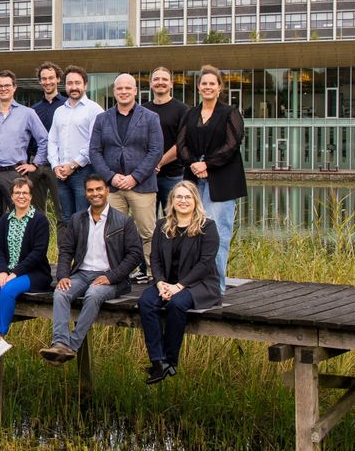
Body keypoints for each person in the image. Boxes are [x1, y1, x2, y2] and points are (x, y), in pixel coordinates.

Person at [40, 174, 142, 364]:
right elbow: (66, 251)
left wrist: (111, 277)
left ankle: (72, 346)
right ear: (85, 193)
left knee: (94, 294)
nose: (95, 193)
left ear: (107, 191)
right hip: (81, 273)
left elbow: (135, 255)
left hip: (112, 278)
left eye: (99, 189)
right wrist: (63, 275)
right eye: (90, 190)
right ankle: (60, 343)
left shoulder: (123, 221)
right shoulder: (78, 219)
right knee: (60, 292)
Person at [139, 181, 220, 384]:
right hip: (166, 283)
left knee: (177, 304)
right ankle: (158, 362)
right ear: (172, 201)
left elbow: (205, 263)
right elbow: (155, 259)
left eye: (187, 197)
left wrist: (178, 286)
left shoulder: (207, 227)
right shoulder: (162, 226)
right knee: (146, 302)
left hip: (198, 284)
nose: (183, 201)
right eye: (179, 197)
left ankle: (171, 360)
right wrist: (159, 283)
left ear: (195, 200)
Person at [176, 65, 247, 291]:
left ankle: (216, 286)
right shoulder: (190, 114)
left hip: (222, 181)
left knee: (217, 234)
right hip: (194, 180)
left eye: (212, 84)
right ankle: (195, 283)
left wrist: (207, 163)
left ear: (219, 88)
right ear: (198, 87)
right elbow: (181, 144)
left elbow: (232, 144)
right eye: (204, 83)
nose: (208, 87)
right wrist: (195, 165)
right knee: (192, 232)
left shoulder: (230, 113)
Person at [89, 73, 162, 286]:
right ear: (114, 92)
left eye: (128, 88)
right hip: (112, 187)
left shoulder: (150, 117)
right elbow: (94, 151)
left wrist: (134, 177)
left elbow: (156, 151)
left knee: (147, 231)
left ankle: (152, 273)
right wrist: (111, 177)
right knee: (113, 232)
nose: (123, 92)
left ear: (135, 91)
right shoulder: (103, 118)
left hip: (142, 185)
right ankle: (118, 272)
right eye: (119, 88)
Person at [0, 71, 47, 257]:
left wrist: (35, 164)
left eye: (7, 85)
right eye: (0, 86)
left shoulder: (27, 113)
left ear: (14, 87)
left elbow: (44, 140)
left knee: (19, 216)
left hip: (14, 174)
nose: (3, 89)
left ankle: (19, 258)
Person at [0, 177, 52, 359]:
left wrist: (15, 273)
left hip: (34, 273)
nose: (21, 196)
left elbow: (38, 253)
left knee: (7, 290)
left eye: (25, 193)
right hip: (7, 270)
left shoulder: (39, 220)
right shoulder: (5, 219)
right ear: (11, 196)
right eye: (17, 193)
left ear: (31, 196)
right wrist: (2, 270)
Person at [46, 66, 103, 227]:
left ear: (85, 85)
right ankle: (68, 252)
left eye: (78, 83)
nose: (74, 87)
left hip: (83, 172)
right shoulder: (59, 111)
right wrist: (55, 165)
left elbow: (94, 142)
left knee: (83, 218)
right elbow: (52, 140)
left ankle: (83, 252)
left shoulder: (94, 110)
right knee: (65, 219)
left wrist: (73, 164)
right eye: (70, 83)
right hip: (61, 175)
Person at [143, 67, 189, 214]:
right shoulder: (142, 110)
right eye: (156, 79)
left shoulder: (183, 110)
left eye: (164, 79)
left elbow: (183, 142)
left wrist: (159, 162)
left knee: (175, 220)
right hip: (147, 177)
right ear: (150, 83)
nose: (160, 82)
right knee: (147, 223)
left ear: (171, 84)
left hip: (173, 175)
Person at [28, 62, 67, 235]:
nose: (47, 81)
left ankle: (63, 258)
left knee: (61, 212)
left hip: (57, 166)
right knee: (36, 214)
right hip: (36, 165)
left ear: (58, 79)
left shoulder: (67, 106)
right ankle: (39, 256)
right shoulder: (33, 110)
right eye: (43, 78)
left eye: (51, 78)